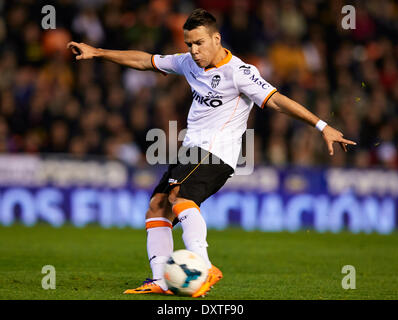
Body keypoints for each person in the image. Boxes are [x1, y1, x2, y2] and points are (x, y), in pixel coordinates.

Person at [67, 8, 356, 297]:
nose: (193, 50)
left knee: (179, 196)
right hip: (193, 150)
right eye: (189, 44)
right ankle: (160, 280)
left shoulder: (240, 72)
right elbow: (145, 60)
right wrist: (98, 52)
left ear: (216, 39)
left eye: (199, 43)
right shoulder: (188, 63)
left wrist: (322, 126)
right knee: (157, 206)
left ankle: (203, 269)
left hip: (217, 151)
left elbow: (277, 101)